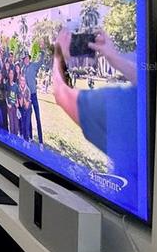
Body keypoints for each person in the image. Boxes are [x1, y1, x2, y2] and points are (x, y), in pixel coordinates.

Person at [52, 29, 138, 168]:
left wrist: (59, 54)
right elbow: (148, 81)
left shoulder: (121, 105)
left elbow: (61, 94)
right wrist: (116, 58)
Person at [22, 52, 45, 144]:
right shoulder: (23, 69)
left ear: (29, 58)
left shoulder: (33, 66)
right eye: (25, 58)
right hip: (27, 97)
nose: (26, 59)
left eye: (27, 57)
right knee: (29, 117)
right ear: (23, 60)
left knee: (37, 118)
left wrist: (42, 51)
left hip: (34, 95)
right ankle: (30, 137)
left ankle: (41, 141)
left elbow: (40, 62)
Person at [6, 67, 20, 136]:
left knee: (16, 122)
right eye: (10, 73)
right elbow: (5, 96)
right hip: (9, 107)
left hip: (15, 106)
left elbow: (17, 96)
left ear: (14, 74)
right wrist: (7, 104)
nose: (11, 75)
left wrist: (17, 103)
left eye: (12, 73)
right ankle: (12, 138)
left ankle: (16, 136)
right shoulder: (6, 84)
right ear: (8, 74)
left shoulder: (16, 85)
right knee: (11, 122)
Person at [18, 75, 32, 141]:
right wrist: (21, 94)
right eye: (21, 80)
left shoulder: (28, 90)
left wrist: (23, 95)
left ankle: (27, 140)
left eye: (24, 80)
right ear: (20, 81)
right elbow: (21, 104)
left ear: (25, 81)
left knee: (27, 125)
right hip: (22, 109)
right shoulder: (18, 90)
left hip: (28, 109)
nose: (22, 82)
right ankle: (24, 140)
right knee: (23, 125)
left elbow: (26, 105)